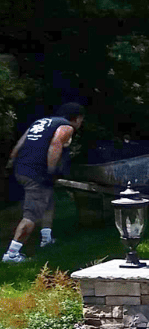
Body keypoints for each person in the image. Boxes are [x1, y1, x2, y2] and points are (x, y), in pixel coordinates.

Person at [4, 103, 85, 263]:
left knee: (48, 200)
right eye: (81, 120)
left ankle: (46, 239)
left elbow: (20, 143)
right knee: (32, 213)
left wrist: (10, 162)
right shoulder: (66, 127)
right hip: (37, 172)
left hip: (21, 168)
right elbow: (56, 144)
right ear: (77, 118)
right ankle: (11, 254)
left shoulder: (40, 123)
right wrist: (50, 170)